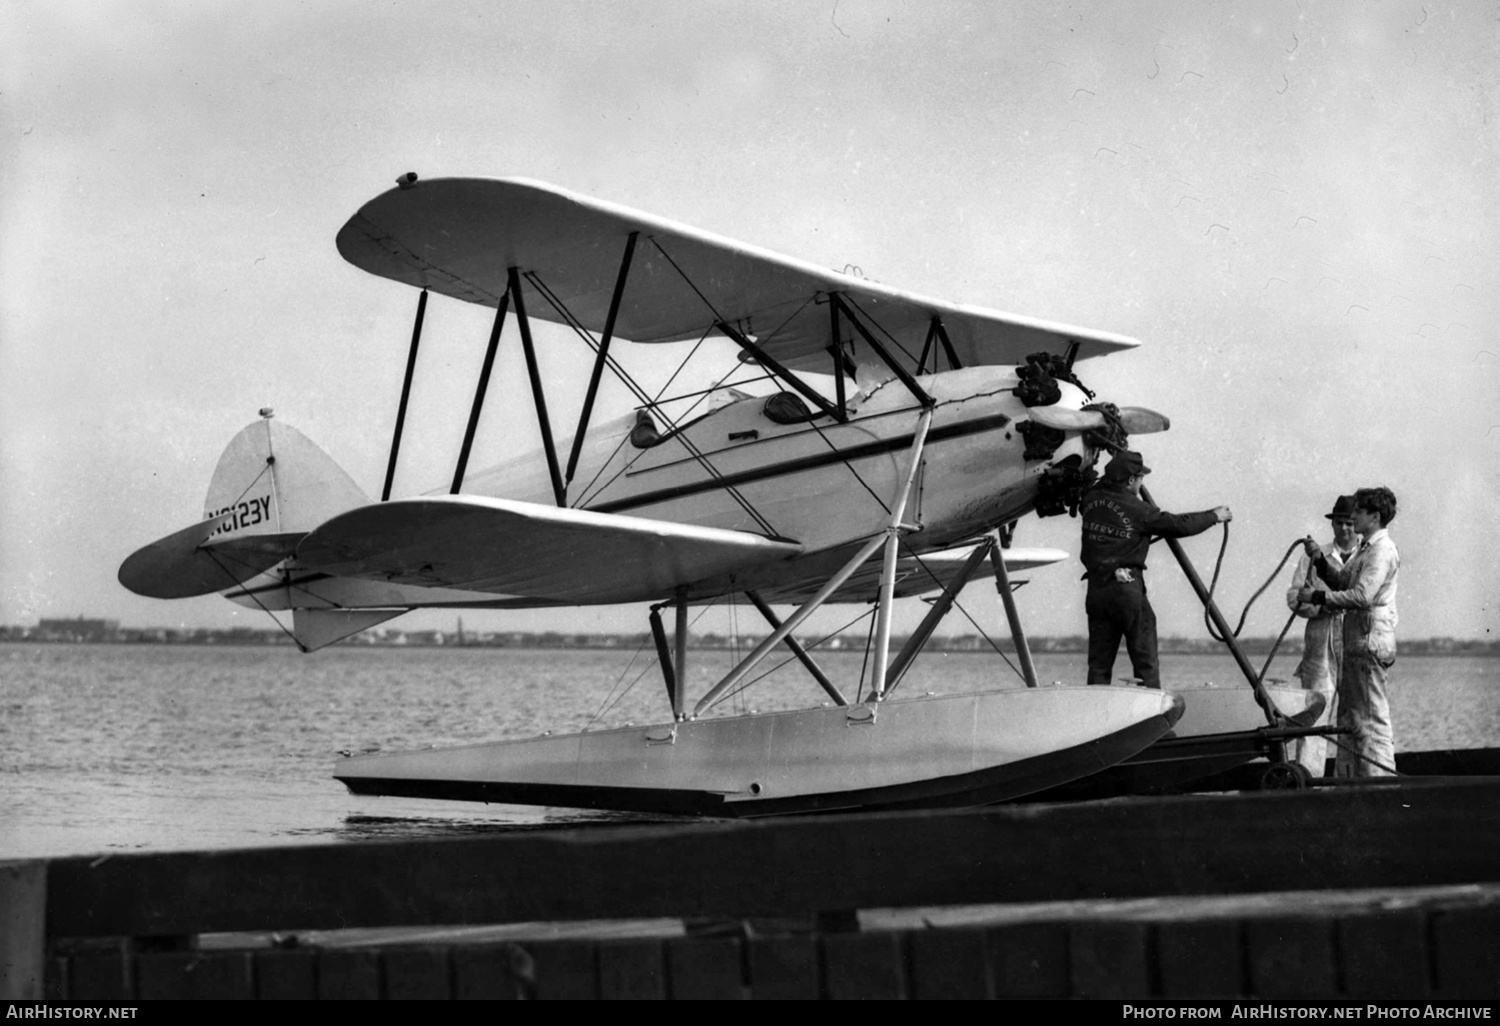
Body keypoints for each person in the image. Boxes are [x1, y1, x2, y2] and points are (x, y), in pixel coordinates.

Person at [1079, 449, 1232, 688]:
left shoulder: (1089, 501)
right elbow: (1178, 525)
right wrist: (1213, 516)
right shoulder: (1138, 510)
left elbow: (1096, 492)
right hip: (1126, 590)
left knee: (1099, 663)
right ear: (1131, 480)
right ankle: (1150, 710)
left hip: (1096, 590)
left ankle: (1096, 712)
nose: (1141, 484)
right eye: (1140, 479)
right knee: (1144, 657)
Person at [1297, 486, 1400, 777]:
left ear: (1374, 516)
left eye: (1358, 512)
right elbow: (1343, 581)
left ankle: (1381, 787)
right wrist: (1319, 560)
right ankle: (1356, 786)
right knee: (1354, 718)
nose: (1351, 517)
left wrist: (1317, 597)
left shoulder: (1381, 551)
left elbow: (1361, 596)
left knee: (1370, 720)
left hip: (1368, 643)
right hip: (1359, 642)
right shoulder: (1367, 549)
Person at [1283, 494, 1361, 777]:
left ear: (1359, 525)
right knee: (1315, 712)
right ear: (1332, 524)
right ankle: (1308, 778)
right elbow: (1294, 598)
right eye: (1340, 523)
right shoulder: (1314, 557)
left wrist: (1331, 599)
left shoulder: (1367, 557)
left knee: (1353, 715)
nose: (1345, 529)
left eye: (1351, 523)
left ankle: (1350, 780)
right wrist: (1320, 605)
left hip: (1355, 642)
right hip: (1320, 642)